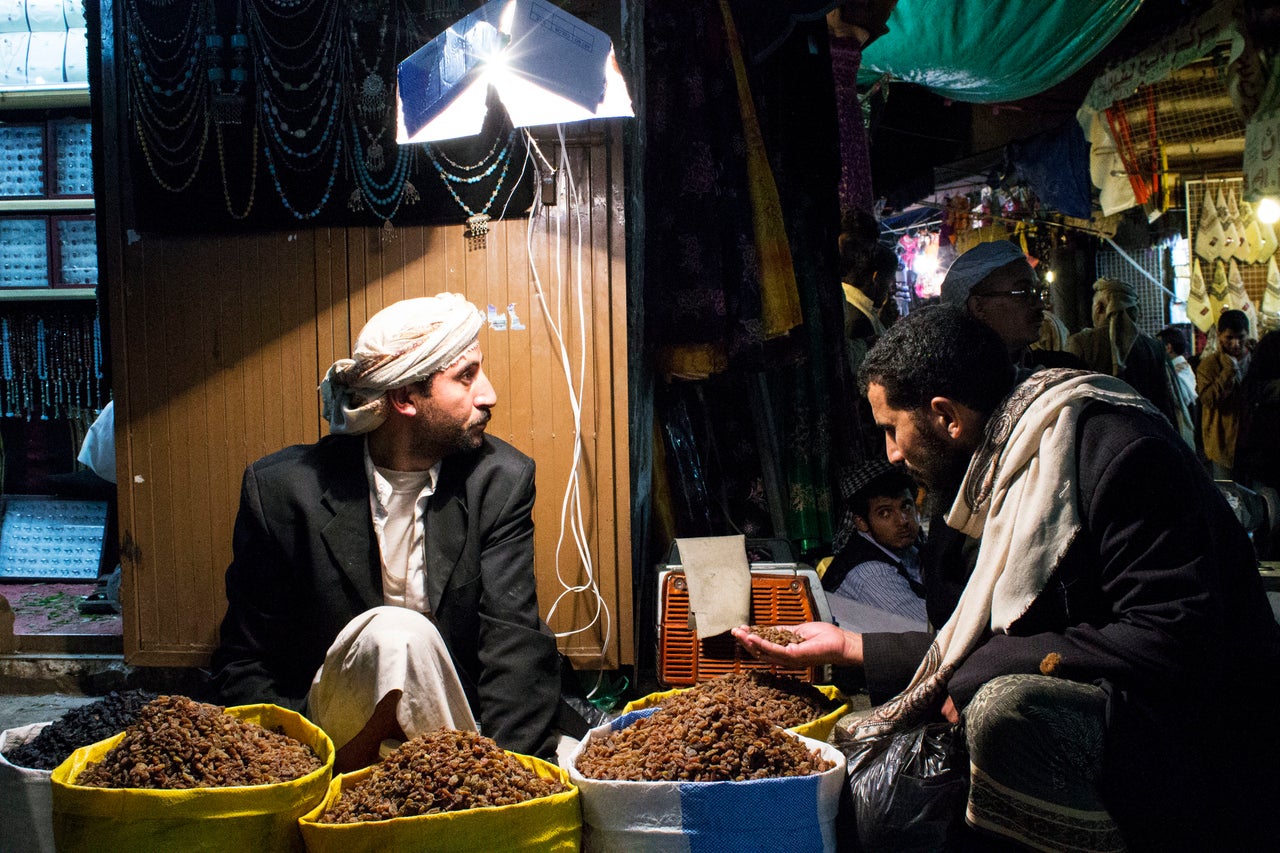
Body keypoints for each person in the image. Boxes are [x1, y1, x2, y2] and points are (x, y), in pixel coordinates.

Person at [734, 305, 1280, 851]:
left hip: (1198, 756)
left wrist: (999, 666)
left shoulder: (1118, 453)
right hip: (1132, 733)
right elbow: (983, 640)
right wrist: (850, 647)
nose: (892, 454)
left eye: (892, 430)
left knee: (1001, 710)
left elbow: (1176, 635)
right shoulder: (994, 475)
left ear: (946, 416)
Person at [209, 294, 579, 772]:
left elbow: (514, 641)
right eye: (465, 377)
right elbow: (246, 661)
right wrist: (287, 774)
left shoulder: (500, 480)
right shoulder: (283, 491)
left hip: (457, 733)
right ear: (404, 398)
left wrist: (511, 783)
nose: (488, 394)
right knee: (394, 635)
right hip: (333, 741)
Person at [939, 239, 1083, 373]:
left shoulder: (1065, 370)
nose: (1040, 305)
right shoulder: (953, 386)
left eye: (1038, 292)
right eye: (1024, 292)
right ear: (978, 307)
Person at [820, 459, 927, 632]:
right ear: (861, 522)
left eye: (906, 506)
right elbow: (934, 631)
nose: (903, 520)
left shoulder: (909, 547)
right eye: (884, 513)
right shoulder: (870, 574)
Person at [1066, 277, 1179, 425]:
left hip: (1099, 433)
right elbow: (1165, 402)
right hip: (1147, 429)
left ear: (1099, 307)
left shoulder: (1080, 343)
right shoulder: (1154, 347)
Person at [1196, 308, 1251, 481]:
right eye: (1229, 338)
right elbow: (1208, 400)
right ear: (1219, 335)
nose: (1235, 344)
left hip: (1253, 442)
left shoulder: (1257, 359)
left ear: (1247, 334)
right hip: (1223, 444)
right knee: (1229, 495)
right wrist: (1228, 371)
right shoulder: (1208, 365)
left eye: (1240, 338)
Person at [1156, 326, 1199, 449]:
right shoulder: (1183, 367)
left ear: (1168, 348)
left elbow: (1183, 398)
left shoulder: (1177, 372)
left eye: (1158, 346)